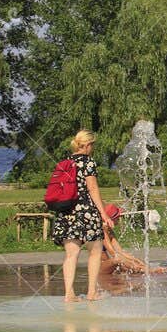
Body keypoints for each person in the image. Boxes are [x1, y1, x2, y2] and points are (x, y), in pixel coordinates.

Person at [52, 130, 114, 304]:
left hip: (67, 210)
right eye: (92, 145)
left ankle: (68, 294)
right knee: (95, 252)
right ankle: (91, 292)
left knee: (71, 254)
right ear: (86, 145)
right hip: (86, 211)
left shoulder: (65, 163)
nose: (92, 148)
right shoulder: (88, 162)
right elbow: (93, 189)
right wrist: (103, 213)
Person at [101, 205, 167, 275]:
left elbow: (120, 251)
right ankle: (150, 271)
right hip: (100, 268)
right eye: (118, 217)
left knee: (132, 269)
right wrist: (136, 265)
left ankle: (150, 270)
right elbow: (114, 254)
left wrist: (136, 260)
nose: (119, 219)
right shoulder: (102, 230)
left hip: (110, 266)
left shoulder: (109, 230)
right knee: (120, 260)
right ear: (111, 218)